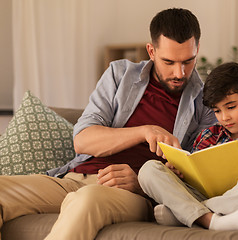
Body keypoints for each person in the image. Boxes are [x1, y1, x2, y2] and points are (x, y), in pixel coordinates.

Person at [0, 8, 216, 240]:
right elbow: (83, 140)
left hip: (133, 195)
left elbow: (201, 183)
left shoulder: (207, 102)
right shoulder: (119, 75)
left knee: (88, 199)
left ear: (198, 50)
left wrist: (141, 183)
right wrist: (145, 131)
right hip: (74, 179)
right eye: (169, 62)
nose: (179, 72)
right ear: (151, 51)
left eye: (188, 61)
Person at [138, 61, 238, 231]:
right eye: (217, 111)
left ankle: (187, 213)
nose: (224, 117)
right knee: (149, 170)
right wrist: (178, 174)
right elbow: (195, 181)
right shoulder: (208, 135)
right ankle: (211, 220)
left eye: (231, 107)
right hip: (206, 196)